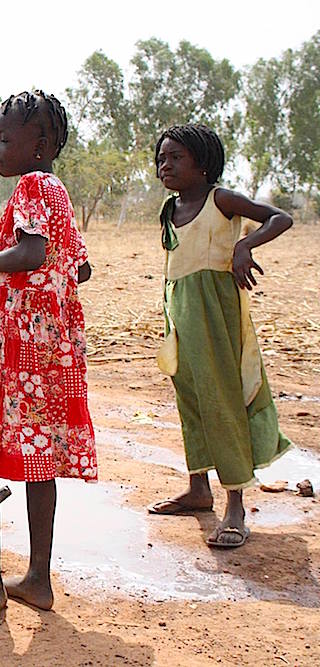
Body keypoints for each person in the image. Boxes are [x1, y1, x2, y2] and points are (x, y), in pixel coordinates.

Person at [0, 91, 96, 626]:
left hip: (17, 354)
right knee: (38, 463)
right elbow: (78, 268)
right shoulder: (57, 192)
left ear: (41, 144)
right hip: (44, 356)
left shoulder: (33, 186)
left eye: (5, 139)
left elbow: (32, 253)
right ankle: (38, 578)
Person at [147, 123, 293, 549]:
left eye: (176, 158)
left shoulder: (221, 200)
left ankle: (235, 506)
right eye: (161, 158)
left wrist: (245, 246)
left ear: (204, 164)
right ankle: (198, 488)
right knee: (190, 398)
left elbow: (280, 217)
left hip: (215, 312)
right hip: (179, 311)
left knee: (222, 398)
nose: (165, 166)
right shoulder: (169, 209)